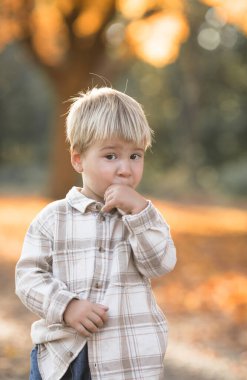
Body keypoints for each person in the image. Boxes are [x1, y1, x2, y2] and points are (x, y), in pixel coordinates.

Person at [15, 87, 177, 380]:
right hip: (64, 357)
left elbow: (160, 264)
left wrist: (139, 215)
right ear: (78, 160)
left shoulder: (144, 217)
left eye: (135, 156)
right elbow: (28, 277)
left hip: (127, 359)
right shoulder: (53, 218)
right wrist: (66, 306)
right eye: (111, 156)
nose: (125, 169)